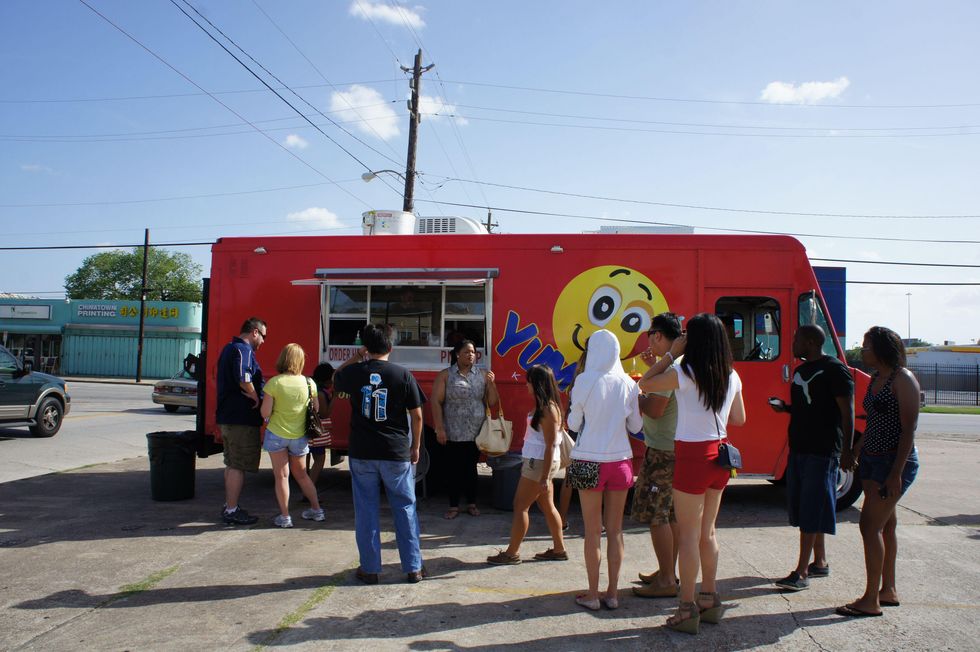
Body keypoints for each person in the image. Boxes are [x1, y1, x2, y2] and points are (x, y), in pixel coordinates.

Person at [639, 313, 745, 635]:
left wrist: (672, 353)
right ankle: (709, 598)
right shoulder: (732, 374)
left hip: (692, 455)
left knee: (687, 535)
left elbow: (645, 383)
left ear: (692, 340)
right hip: (721, 457)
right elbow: (738, 418)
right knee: (707, 533)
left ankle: (686, 608)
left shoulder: (684, 372)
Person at [836, 326, 920, 618]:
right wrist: (854, 451)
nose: (863, 350)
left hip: (894, 463)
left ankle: (871, 599)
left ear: (883, 348)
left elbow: (908, 430)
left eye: (868, 345)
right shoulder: (875, 380)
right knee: (887, 525)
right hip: (872, 460)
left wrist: (896, 473)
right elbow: (872, 423)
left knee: (869, 527)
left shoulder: (903, 380)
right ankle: (888, 590)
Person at [333, 323, 427, 584]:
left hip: (362, 451)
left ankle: (371, 569)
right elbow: (417, 416)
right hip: (396, 452)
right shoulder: (402, 374)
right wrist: (415, 446)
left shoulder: (354, 373)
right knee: (405, 508)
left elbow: (336, 377)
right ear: (391, 347)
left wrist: (356, 357)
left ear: (366, 347)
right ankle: (413, 567)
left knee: (366, 510)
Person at [771, 325, 854, 591]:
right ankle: (820, 562)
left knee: (810, 507)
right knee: (808, 505)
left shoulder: (835, 370)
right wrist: (785, 409)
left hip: (822, 449)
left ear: (809, 342)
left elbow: (847, 413)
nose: (792, 344)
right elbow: (809, 406)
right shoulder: (800, 371)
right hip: (800, 448)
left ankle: (801, 572)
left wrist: (848, 451)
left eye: (795, 339)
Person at [566, 329, 643, 611]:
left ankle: (592, 594)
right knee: (616, 530)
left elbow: (573, 425)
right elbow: (636, 427)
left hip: (587, 460)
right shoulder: (627, 383)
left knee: (591, 532)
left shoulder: (583, 381)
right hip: (620, 461)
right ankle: (612, 593)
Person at [486, 364, 567, 566]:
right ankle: (558, 549)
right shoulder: (547, 406)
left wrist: (544, 477)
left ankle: (512, 552)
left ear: (537, 384)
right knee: (547, 506)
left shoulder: (547, 409)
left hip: (538, 464)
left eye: (529, 382)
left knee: (520, 506)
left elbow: (549, 445)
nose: (526, 386)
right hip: (539, 462)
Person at [631, 313, 683, 599]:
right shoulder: (676, 367)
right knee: (671, 514)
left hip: (663, 451)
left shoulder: (670, 370)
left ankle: (666, 580)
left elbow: (654, 409)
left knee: (657, 515)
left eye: (651, 334)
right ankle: (667, 571)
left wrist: (635, 397)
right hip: (672, 448)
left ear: (659, 336)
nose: (649, 340)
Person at [431, 340, 499, 520]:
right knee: (453, 469)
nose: (471, 355)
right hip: (452, 431)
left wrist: (492, 384)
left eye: (473, 352)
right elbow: (436, 402)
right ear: (457, 355)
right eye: (467, 352)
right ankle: (453, 506)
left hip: (476, 431)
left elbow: (492, 402)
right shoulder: (446, 375)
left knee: (471, 468)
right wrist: (439, 428)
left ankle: (471, 503)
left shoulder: (482, 375)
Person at [259, 343, 325, 528]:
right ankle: (317, 510)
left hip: (277, 434)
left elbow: (265, 413)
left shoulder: (274, 383)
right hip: (300, 436)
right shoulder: (309, 383)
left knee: (282, 476)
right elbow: (316, 409)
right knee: (302, 475)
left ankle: (285, 517)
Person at [215, 317, 267, 526]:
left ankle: (230, 504)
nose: (263, 341)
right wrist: (255, 396)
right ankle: (232, 509)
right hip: (240, 419)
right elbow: (244, 378)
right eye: (263, 336)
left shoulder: (229, 348)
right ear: (254, 332)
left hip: (228, 417)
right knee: (237, 465)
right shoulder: (243, 350)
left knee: (231, 463)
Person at [305, 362, 335, 491]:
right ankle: (309, 489)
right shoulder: (321, 393)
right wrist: (335, 397)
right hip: (316, 434)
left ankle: (305, 487)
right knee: (319, 460)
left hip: (306, 430)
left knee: (305, 459)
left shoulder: (310, 387)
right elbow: (324, 413)